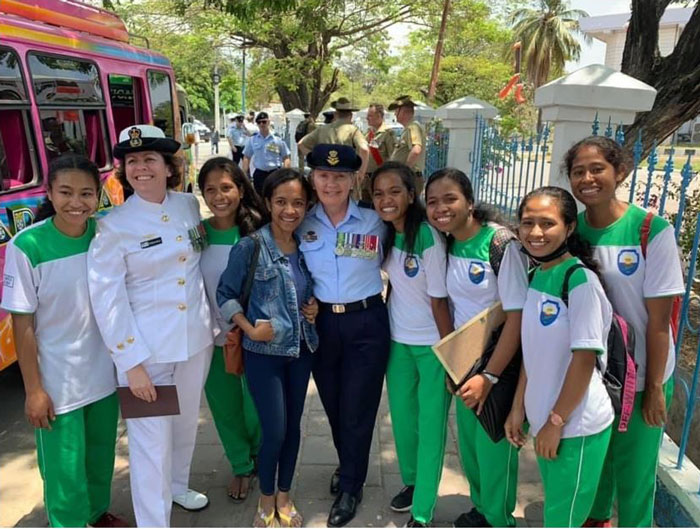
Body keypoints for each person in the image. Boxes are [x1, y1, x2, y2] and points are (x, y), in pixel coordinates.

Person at [88, 125, 214, 527]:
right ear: (124, 170)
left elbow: (195, 268)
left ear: (167, 166)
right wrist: (132, 363)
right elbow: (107, 298)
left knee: (183, 428)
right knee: (149, 445)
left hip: (195, 341)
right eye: (132, 162)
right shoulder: (113, 224)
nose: (141, 168)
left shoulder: (188, 206)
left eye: (149, 160)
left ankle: (177, 486)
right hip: (148, 353)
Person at [564, 137, 685, 528]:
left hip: (643, 375)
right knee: (596, 465)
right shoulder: (570, 231)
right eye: (578, 171)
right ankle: (596, 521)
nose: (587, 178)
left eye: (597, 168)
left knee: (634, 477)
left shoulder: (651, 230)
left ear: (620, 172)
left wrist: (653, 388)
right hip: (593, 374)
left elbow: (659, 322)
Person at [1, 154, 126, 529]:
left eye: (86, 193)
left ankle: (96, 514)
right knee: (64, 470)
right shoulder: (29, 245)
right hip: (58, 383)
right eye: (66, 192)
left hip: (104, 374)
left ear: (98, 195)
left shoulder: (104, 235)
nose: (77, 202)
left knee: (101, 456)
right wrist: (34, 390)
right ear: (50, 194)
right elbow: (21, 325)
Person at [425, 168, 528, 528]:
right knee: (470, 446)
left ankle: (500, 519)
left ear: (469, 201)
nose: (441, 208)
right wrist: (457, 364)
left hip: (499, 366)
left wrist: (490, 376)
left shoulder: (501, 244)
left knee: (494, 448)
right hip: (467, 362)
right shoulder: (448, 242)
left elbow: (516, 317)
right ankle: (483, 509)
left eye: (450, 198)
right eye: (433, 201)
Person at [506, 186, 615, 527]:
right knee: (559, 512)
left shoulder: (579, 281)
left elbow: (584, 359)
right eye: (527, 223)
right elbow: (533, 351)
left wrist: (556, 423)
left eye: (547, 223)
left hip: (575, 425)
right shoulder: (537, 274)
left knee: (562, 520)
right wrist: (518, 406)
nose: (535, 233)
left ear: (568, 228)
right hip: (546, 419)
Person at [217, 168, 319, 528]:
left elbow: (306, 291)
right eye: (281, 202)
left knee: (293, 428)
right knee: (274, 429)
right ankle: (265, 499)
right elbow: (225, 294)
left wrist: (313, 306)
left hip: (302, 349)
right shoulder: (251, 246)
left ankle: (285, 496)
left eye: (297, 203)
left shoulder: (308, 244)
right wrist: (247, 328)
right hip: (264, 355)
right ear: (267, 202)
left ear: (307, 206)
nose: (289, 210)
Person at [298, 144, 390, 527]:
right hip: (323, 325)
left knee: (359, 407)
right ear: (312, 178)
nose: (330, 182)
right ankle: (348, 462)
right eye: (323, 175)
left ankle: (351, 485)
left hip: (366, 322)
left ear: (354, 179)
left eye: (339, 176)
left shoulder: (375, 221)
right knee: (335, 406)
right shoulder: (302, 222)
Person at [372, 162, 452, 528]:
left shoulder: (428, 237)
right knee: (403, 422)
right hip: (398, 343)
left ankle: (423, 510)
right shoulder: (388, 232)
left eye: (394, 192)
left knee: (432, 425)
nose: (386, 200)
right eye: (378, 193)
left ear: (410, 194)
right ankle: (412, 481)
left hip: (432, 348)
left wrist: (451, 357)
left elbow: (439, 302)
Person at [197, 157, 265, 502]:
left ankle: (257, 454)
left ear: (240, 189)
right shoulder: (197, 234)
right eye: (210, 189)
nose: (219, 196)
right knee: (224, 406)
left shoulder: (257, 230)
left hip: (253, 337)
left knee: (255, 404)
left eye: (226, 187)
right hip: (210, 337)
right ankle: (240, 464)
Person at [297, 97, 369, 188]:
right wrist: (361, 173)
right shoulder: (353, 130)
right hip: (344, 174)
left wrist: (317, 159)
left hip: (323, 174)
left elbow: (301, 144)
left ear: (335, 114)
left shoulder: (322, 129)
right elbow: (364, 149)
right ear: (351, 116)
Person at [242, 112, 291, 196]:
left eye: (264, 122)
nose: (262, 124)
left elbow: (286, 157)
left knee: (274, 196)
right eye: (259, 122)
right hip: (260, 174)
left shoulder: (277, 139)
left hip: (274, 173)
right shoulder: (252, 140)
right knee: (259, 198)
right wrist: (244, 174)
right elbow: (246, 157)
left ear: (268, 122)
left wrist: (285, 173)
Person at [389, 95, 426, 195]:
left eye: (396, 111)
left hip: (410, 177)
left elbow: (416, 149)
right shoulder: (409, 128)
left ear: (404, 111)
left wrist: (405, 171)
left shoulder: (412, 127)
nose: (395, 114)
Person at [363, 103, 396, 204]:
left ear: (379, 116)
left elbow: (393, 157)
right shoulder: (368, 133)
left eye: (370, 116)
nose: (367, 118)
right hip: (365, 178)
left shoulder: (388, 133)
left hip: (379, 177)